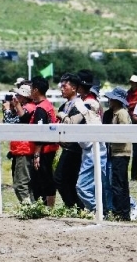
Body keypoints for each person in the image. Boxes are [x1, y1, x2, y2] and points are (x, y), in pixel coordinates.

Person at [72, 70, 106, 212]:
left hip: (93, 148)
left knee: (82, 187)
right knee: (104, 184)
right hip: (94, 147)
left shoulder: (87, 103)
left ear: (79, 86)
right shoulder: (91, 101)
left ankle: (96, 210)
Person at [54, 72, 86, 208]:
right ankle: (76, 207)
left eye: (64, 86)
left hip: (76, 149)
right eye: (61, 86)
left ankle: (74, 205)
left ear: (74, 88)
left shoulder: (80, 106)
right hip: (67, 148)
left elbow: (72, 125)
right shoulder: (64, 106)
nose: (62, 89)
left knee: (60, 178)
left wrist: (62, 116)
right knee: (68, 180)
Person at [28, 77, 59, 207]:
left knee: (43, 179)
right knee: (46, 178)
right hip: (50, 147)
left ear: (36, 90)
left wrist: (37, 154)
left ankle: (47, 207)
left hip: (44, 150)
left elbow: (39, 133)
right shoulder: (48, 105)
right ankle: (48, 206)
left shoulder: (41, 109)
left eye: (31, 88)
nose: (30, 91)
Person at [103, 86, 132, 220]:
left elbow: (124, 133)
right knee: (121, 183)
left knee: (118, 184)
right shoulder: (114, 112)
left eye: (111, 99)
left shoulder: (121, 113)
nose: (109, 100)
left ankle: (119, 212)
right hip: (117, 151)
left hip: (120, 152)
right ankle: (124, 213)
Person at [6, 83, 37, 204]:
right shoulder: (29, 107)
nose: (15, 97)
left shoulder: (27, 108)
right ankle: (32, 206)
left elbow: (10, 123)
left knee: (20, 184)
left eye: (18, 95)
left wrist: (8, 110)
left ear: (24, 97)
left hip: (24, 149)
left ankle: (28, 208)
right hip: (22, 148)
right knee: (26, 183)